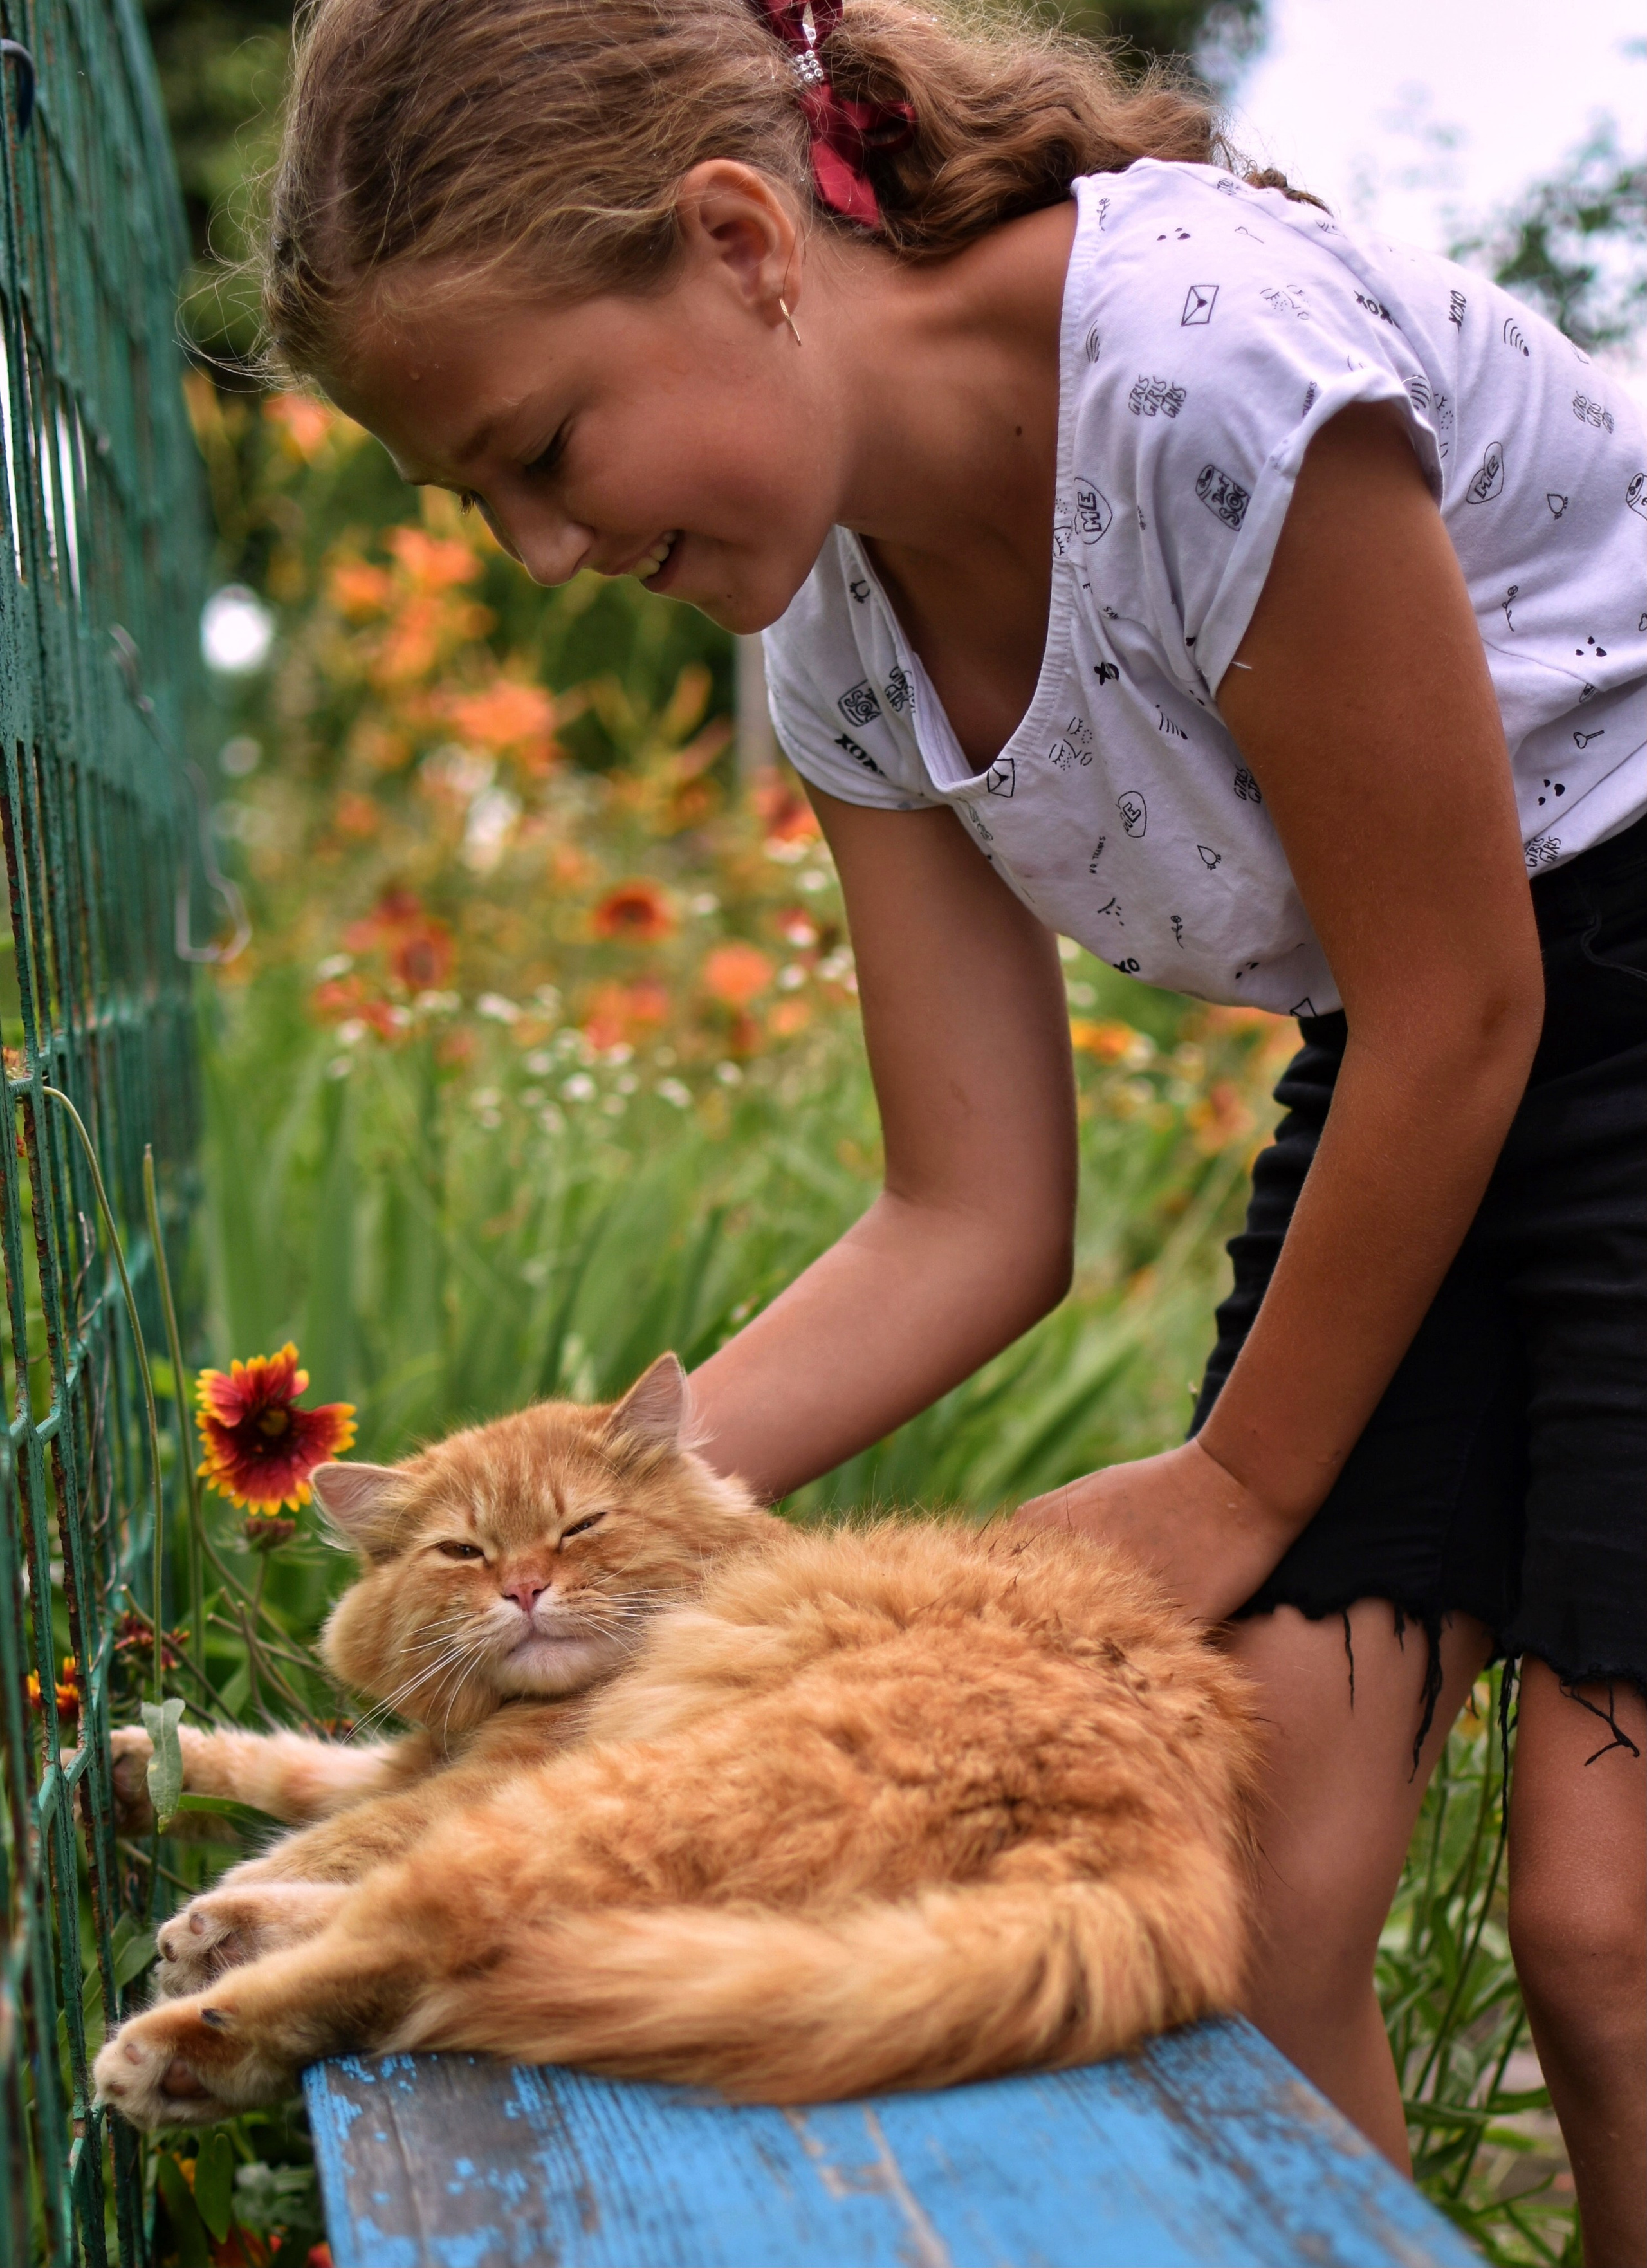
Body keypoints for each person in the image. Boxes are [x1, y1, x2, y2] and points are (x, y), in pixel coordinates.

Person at [258, 1, 1646, 2254]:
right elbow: (970, 1205)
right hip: (1422, 1049)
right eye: (473, 505)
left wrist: (1240, 1481)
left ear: (736, 240)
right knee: (1262, 1897)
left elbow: (1476, 992)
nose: (532, 551)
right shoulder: (838, 628)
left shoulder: (1200, 363)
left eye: (541, 448)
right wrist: (605, 1526)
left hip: (1540, 987)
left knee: (1606, 1937)